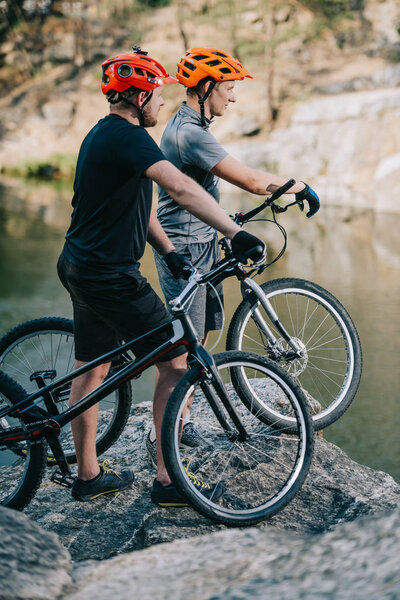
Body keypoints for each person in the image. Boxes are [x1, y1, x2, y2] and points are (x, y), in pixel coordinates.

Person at [57, 46, 266, 506]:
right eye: (155, 94)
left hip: (80, 266)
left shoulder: (103, 135)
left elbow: (139, 209)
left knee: (92, 367)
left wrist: (169, 252)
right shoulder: (130, 138)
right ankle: (170, 481)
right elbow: (181, 187)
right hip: (111, 276)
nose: (161, 102)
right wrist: (235, 230)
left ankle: (88, 475)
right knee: (174, 362)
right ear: (137, 96)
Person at [150, 47, 320, 458]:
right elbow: (249, 178)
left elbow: (204, 187)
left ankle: (181, 422)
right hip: (185, 249)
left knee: (199, 339)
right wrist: (296, 186)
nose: (233, 97)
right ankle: (161, 436)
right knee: (180, 355)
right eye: (227, 88)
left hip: (202, 241)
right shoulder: (189, 132)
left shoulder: (192, 125)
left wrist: (223, 223)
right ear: (206, 87)